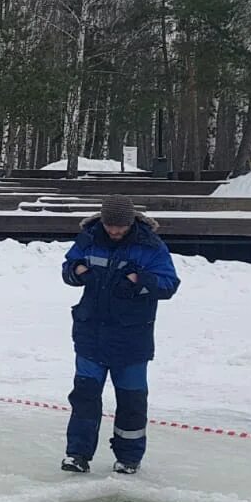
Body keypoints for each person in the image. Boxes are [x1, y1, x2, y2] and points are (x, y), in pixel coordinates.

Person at [59, 195, 179, 474]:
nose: (114, 232)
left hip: (131, 339)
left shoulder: (150, 246)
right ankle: (77, 454)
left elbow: (169, 284)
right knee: (84, 397)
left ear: (130, 223)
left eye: (120, 227)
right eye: (109, 226)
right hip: (91, 333)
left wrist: (140, 282)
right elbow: (68, 267)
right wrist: (76, 271)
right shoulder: (89, 238)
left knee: (132, 400)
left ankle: (129, 458)